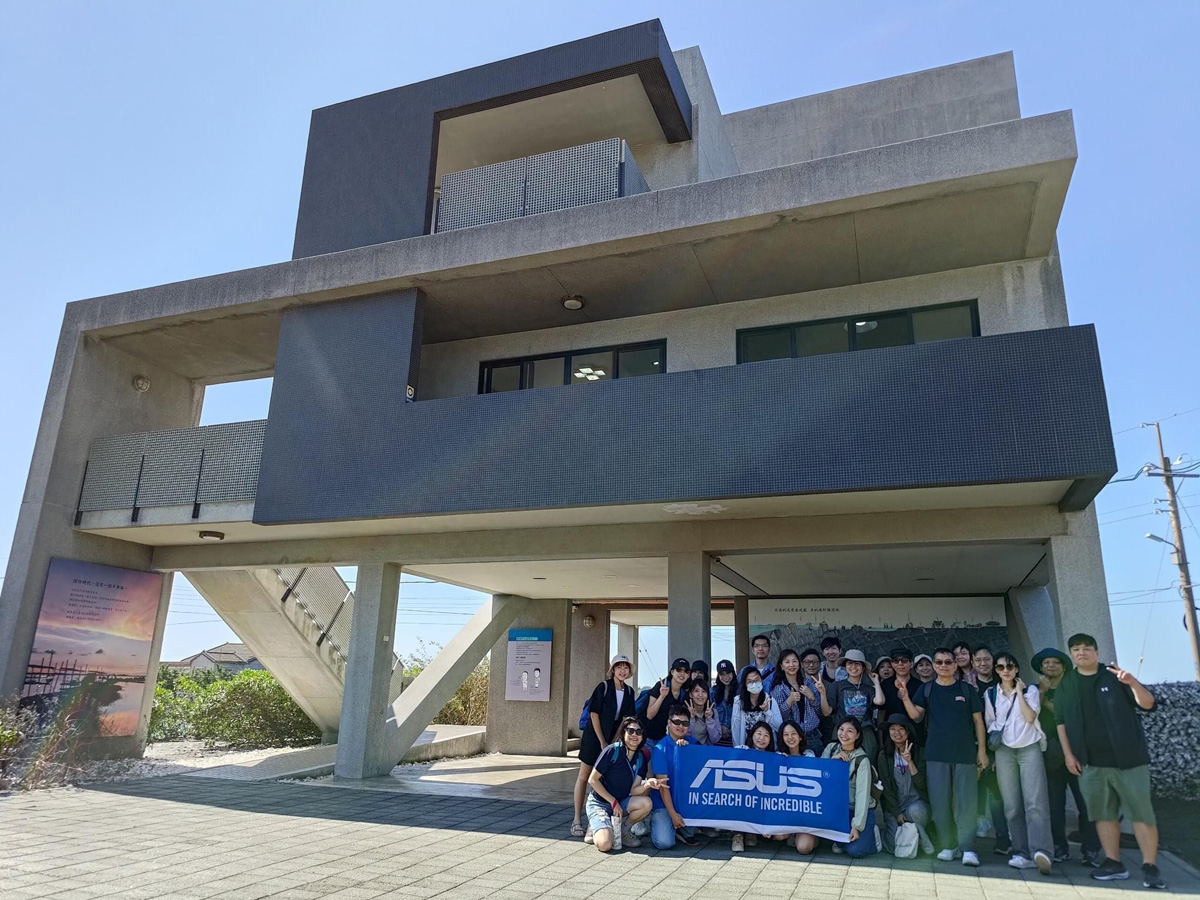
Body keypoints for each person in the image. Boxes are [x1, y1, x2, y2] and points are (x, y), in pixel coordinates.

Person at [1055, 633, 1164, 889]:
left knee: (1141, 814)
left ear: (1097, 652)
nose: (1081, 653)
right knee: (1103, 815)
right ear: (1071, 654)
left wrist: (1133, 682)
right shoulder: (1067, 684)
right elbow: (1060, 721)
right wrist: (1069, 755)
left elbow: (1148, 704)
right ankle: (1113, 862)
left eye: (1087, 648)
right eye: (1076, 649)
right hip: (1091, 763)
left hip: (1129, 760)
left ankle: (1151, 866)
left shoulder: (1115, 676)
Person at [901, 647, 988, 867]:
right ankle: (949, 845)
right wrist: (904, 697)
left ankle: (967, 847)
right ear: (933, 665)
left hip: (965, 753)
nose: (943, 666)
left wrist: (982, 751)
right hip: (936, 753)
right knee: (940, 803)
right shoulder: (927, 689)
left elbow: (979, 721)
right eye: (938, 662)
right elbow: (916, 716)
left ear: (955, 664)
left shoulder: (967, 690)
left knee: (966, 802)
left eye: (947, 662)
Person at [984, 652, 1053, 875]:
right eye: (1001, 667)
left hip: (1029, 748)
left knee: (1035, 802)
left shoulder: (1031, 690)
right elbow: (991, 724)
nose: (1006, 670)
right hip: (1004, 751)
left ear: (1016, 669)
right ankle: (1021, 851)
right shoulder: (990, 693)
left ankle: (1041, 851)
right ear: (996, 670)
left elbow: (1030, 717)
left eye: (1010, 666)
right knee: (1011, 805)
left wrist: (1019, 693)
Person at [1032, 646, 1100, 864]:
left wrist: (1045, 701)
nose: (1050, 666)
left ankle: (1091, 848)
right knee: (1054, 804)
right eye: (1046, 663)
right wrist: (1040, 693)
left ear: (1063, 667)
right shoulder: (1035, 689)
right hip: (1051, 754)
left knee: (1085, 802)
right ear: (1041, 668)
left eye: (1055, 662)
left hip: (1077, 752)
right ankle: (1059, 846)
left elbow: (1069, 716)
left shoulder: (1074, 687)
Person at [572, 654, 637, 837]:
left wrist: (614, 742)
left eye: (625, 668)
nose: (622, 671)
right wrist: (602, 741)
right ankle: (577, 819)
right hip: (594, 738)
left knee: (604, 780)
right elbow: (594, 714)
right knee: (584, 776)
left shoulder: (630, 692)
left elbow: (626, 719)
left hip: (613, 741)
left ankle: (597, 821)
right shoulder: (604, 687)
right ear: (613, 670)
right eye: (619, 667)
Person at [585, 717, 661, 851]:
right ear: (623, 733)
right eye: (630, 731)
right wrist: (613, 802)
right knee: (605, 845)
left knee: (646, 803)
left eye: (638, 732)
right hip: (600, 802)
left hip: (621, 802)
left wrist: (647, 784)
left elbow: (633, 790)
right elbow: (592, 780)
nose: (634, 735)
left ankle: (623, 830)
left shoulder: (641, 758)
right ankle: (595, 826)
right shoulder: (611, 751)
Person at [877, 713, 935, 856]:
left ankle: (924, 841)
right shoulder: (884, 756)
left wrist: (910, 762)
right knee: (894, 846)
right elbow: (886, 789)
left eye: (901, 729)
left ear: (908, 732)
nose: (897, 733)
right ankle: (881, 835)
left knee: (914, 813)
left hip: (916, 803)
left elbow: (922, 784)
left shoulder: (919, 753)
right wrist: (897, 813)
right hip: (894, 806)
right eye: (892, 729)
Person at [972, 644, 1010, 853]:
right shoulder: (968, 686)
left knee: (997, 794)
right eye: (978, 660)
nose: (983, 663)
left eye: (986, 659)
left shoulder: (1002, 685)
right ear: (972, 662)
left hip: (999, 748)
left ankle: (1003, 837)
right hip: (974, 747)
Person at [822, 718, 879, 857]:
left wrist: (857, 827)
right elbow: (819, 776)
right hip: (838, 809)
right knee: (839, 844)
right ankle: (841, 840)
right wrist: (832, 762)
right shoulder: (831, 749)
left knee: (856, 851)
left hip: (857, 809)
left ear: (858, 735)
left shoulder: (862, 760)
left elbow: (862, 795)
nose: (844, 734)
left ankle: (873, 839)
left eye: (850, 731)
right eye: (841, 729)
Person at [648, 705, 699, 849]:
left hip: (686, 801)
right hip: (663, 803)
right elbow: (663, 787)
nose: (681, 726)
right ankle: (655, 823)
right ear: (669, 723)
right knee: (664, 843)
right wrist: (672, 814)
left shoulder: (694, 744)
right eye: (676, 722)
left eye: (685, 723)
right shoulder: (660, 749)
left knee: (693, 829)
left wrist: (689, 751)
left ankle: (680, 829)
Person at [822, 649, 884, 760]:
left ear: (863, 667)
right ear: (845, 667)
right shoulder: (837, 686)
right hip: (842, 732)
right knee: (840, 766)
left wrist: (876, 682)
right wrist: (822, 693)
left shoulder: (868, 689)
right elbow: (827, 712)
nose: (853, 667)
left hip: (865, 732)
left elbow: (879, 701)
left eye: (857, 664)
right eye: (850, 663)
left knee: (866, 764)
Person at [731, 721, 777, 852]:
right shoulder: (741, 750)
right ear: (752, 735)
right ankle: (738, 835)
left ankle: (752, 832)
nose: (761, 738)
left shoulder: (774, 757)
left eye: (766, 735)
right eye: (759, 734)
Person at [778, 721, 819, 854]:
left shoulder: (809, 755)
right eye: (786, 735)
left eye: (793, 734)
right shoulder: (777, 756)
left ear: (800, 736)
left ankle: (812, 836)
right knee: (778, 836)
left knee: (804, 848)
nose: (790, 738)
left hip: (805, 814)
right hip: (786, 812)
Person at [771, 648, 822, 751]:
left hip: (812, 735)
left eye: (794, 661)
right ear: (781, 666)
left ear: (799, 664)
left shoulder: (808, 683)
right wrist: (789, 701)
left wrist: (811, 697)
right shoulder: (778, 689)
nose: (791, 665)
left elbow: (820, 711)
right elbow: (778, 717)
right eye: (787, 662)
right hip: (790, 739)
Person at [638, 657, 692, 742]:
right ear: (672, 672)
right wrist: (662, 696)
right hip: (646, 737)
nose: (682, 673)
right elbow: (649, 715)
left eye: (686, 671)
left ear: (688, 675)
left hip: (663, 738)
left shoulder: (683, 694)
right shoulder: (661, 686)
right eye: (678, 670)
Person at [730, 668, 781, 748]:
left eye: (756, 680)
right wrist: (738, 749)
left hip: (767, 748)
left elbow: (779, 727)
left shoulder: (770, 700)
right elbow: (735, 727)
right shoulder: (738, 701)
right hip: (746, 748)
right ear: (745, 684)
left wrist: (767, 711)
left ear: (762, 681)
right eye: (749, 681)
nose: (754, 683)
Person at [685, 678, 721, 745]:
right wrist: (692, 718)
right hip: (689, 750)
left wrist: (709, 719)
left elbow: (715, 739)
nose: (700, 695)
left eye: (704, 691)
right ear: (690, 694)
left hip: (706, 751)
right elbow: (685, 737)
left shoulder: (713, 712)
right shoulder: (684, 712)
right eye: (696, 691)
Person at [710, 659, 738, 745]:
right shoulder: (712, 692)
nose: (726, 677)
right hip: (717, 738)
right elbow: (709, 713)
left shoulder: (740, 691)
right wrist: (720, 726)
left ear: (733, 673)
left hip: (736, 738)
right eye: (722, 674)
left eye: (728, 673)